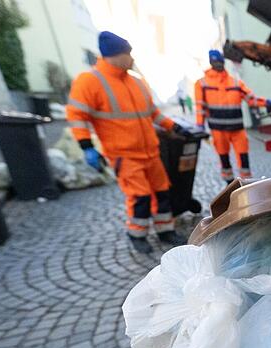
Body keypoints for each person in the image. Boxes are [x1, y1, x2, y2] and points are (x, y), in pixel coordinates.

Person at [67, 31, 191, 254]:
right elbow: (77, 115)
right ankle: (137, 234)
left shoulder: (137, 82)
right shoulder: (90, 81)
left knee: (162, 192)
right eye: (128, 53)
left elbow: (152, 113)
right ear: (115, 55)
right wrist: (87, 147)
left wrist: (173, 127)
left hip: (150, 152)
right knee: (140, 196)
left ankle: (165, 231)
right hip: (124, 155)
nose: (132, 58)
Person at [195, 49, 271, 183]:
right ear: (211, 63)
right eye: (215, 62)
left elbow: (250, 98)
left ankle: (246, 183)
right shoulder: (202, 84)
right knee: (224, 158)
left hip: (237, 129)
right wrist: (199, 124)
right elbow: (199, 106)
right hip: (218, 129)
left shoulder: (235, 82)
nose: (218, 64)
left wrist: (267, 103)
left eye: (219, 61)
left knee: (243, 156)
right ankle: (229, 184)